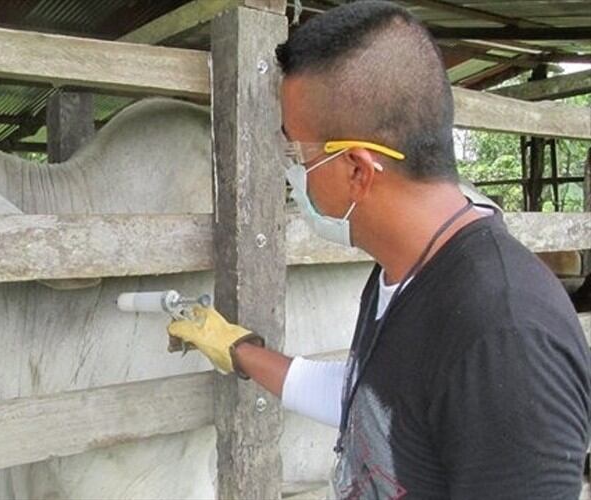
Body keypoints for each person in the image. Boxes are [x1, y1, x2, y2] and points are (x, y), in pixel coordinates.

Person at [166, 2, 591, 498]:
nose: (293, 175)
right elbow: (372, 399)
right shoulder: (402, 271)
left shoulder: (508, 342)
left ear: (357, 170)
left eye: (295, 153)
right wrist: (237, 350)